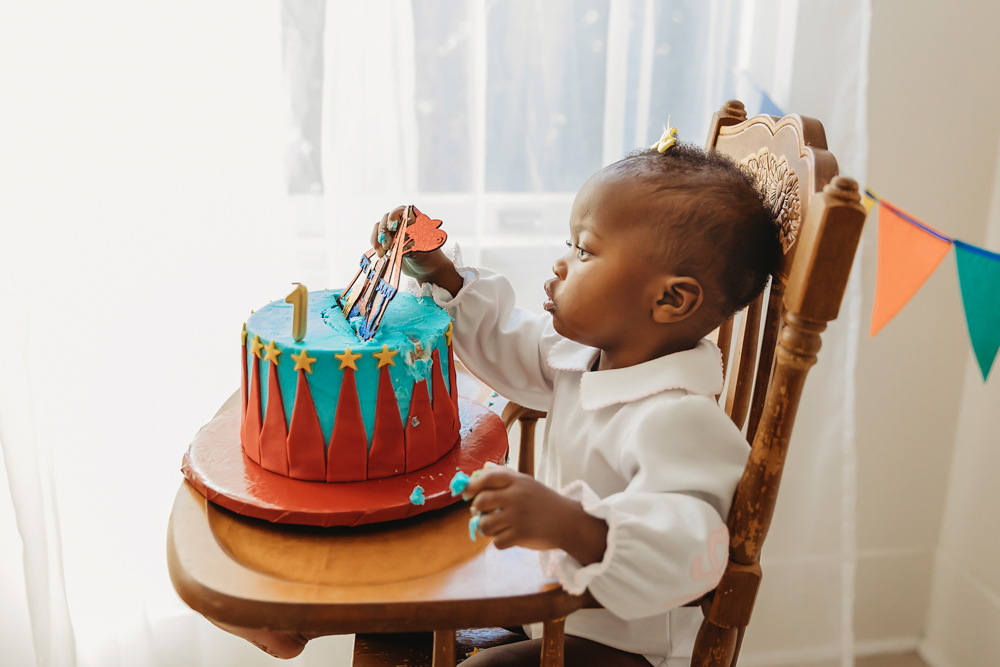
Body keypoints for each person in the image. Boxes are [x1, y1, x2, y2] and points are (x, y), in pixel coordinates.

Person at [365, 138, 783, 666]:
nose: (561, 264)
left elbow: (692, 550)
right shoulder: (584, 356)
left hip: (628, 646)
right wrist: (438, 271)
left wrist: (570, 525)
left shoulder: (679, 419)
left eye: (583, 251)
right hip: (556, 608)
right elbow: (504, 338)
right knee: (406, 604)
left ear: (671, 299)